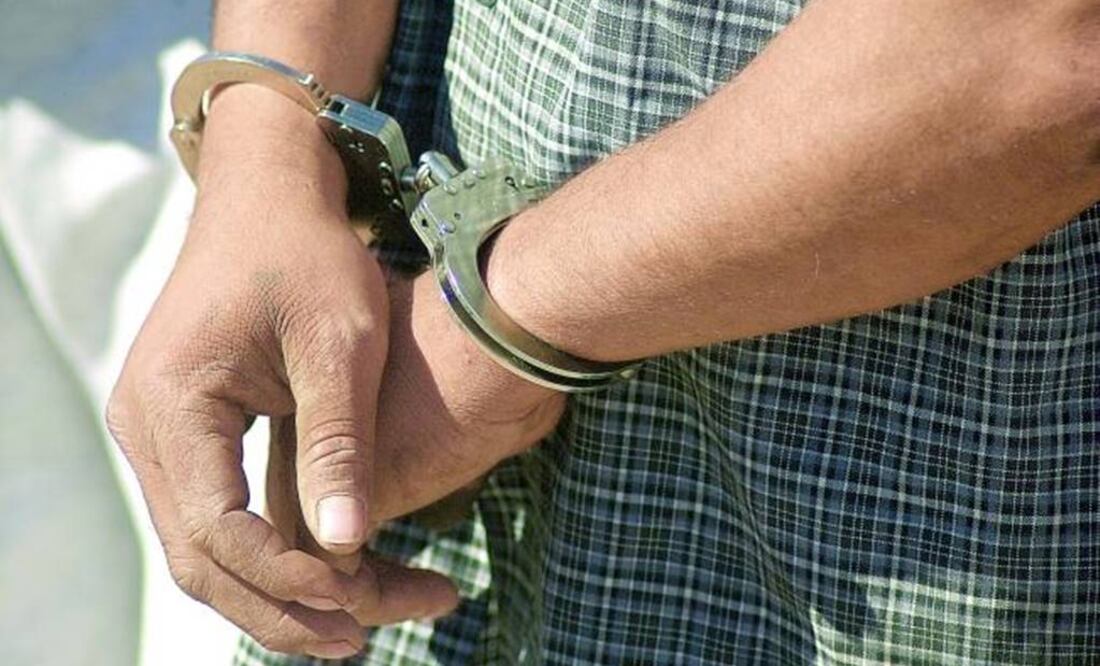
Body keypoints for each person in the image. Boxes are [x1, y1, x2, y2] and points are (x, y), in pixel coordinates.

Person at [106, 0, 1100, 663]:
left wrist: (495, 325)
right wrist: (267, 142)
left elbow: (1046, 48)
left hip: (878, 496)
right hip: (426, 380)